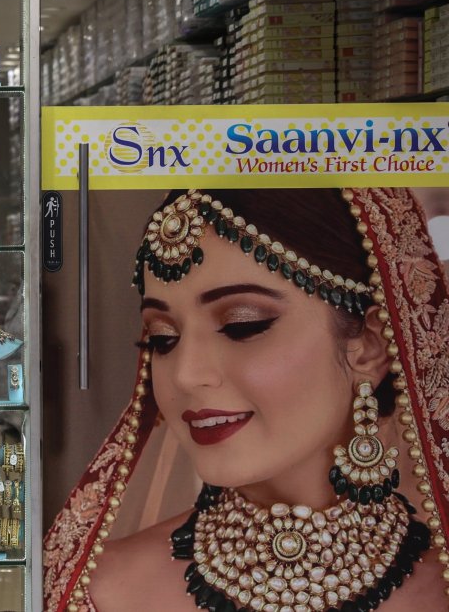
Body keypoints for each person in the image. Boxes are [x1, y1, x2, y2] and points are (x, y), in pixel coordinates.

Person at [43, 188, 449, 611]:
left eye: (242, 326)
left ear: (369, 346)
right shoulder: (103, 590)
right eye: (163, 340)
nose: (185, 374)